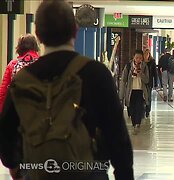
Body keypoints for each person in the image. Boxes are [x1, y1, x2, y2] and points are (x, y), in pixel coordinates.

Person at [0, 1, 134, 179]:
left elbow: (6, 133)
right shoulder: (96, 74)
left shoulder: (23, 79)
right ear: (75, 31)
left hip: (37, 170)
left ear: (38, 36)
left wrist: (16, 166)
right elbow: (117, 136)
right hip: (88, 171)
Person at [0, 34, 40, 113]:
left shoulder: (13, 64)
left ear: (19, 48)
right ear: (35, 47)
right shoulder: (43, 63)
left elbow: (3, 92)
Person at [120, 50, 149, 134]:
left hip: (140, 91)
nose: (138, 60)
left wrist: (141, 74)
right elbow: (123, 80)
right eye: (136, 58)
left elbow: (147, 80)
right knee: (132, 108)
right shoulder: (128, 66)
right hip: (131, 91)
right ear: (134, 58)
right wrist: (121, 94)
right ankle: (134, 123)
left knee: (139, 108)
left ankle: (137, 124)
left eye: (140, 58)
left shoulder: (145, 67)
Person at [144, 49, 157, 118]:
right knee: (143, 96)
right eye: (145, 54)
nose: (146, 55)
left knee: (148, 96)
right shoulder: (142, 62)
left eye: (147, 54)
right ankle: (143, 109)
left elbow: (155, 73)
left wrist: (156, 83)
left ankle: (147, 110)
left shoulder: (152, 62)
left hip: (149, 82)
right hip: (142, 82)